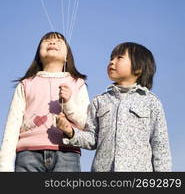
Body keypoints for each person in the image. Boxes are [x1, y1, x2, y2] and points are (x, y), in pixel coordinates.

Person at [56, 42, 172, 172]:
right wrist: (70, 132)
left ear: (138, 68)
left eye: (119, 58)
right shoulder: (99, 101)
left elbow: (160, 146)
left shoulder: (151, 102)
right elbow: (92, 139)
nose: (112, 62)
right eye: (111, 58)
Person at [0, 31, 89, 172]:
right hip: (28, 154)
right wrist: (4, 167)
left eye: (59, 41)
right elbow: (12, 126)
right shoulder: (26, 84)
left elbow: (86, 123)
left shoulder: (77, 83)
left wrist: (68, 103)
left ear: (67, 57)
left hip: (67, 154)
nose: (52, 42)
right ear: (38, 56)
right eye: (46, 41)